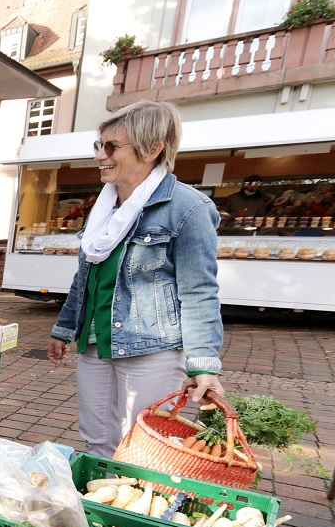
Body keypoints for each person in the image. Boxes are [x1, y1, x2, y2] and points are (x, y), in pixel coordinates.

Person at [48, 100, 225, 458]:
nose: (101, 156)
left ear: (152, 149)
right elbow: (85, 276)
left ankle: (130, 511)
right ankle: (101, 507)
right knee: (96, 438)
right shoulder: (104, 208)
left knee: (141, 444)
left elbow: (199, 291)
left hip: (151, 347)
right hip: (96, 341)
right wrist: (64, 328)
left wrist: (204, 364)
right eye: (99, 146)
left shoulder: (188, 208)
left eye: (112, 147)